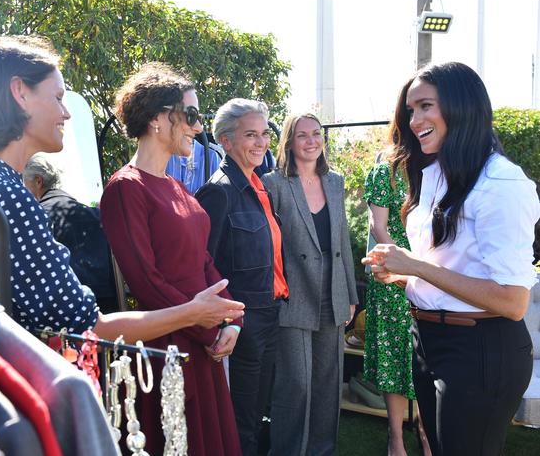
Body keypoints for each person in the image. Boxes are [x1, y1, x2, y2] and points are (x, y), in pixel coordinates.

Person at [0, 35, 244, 344]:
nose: (66, 112)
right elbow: (88, 325)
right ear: (20, 93)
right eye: (58, 97)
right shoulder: (9, 197)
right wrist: (194, 314)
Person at [363, 62, 540, 456]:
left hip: (479, 349)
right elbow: (451, 270)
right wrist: (401, 275)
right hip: (429, 340)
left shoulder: (501, 184)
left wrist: (415, 266)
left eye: (425, 106)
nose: (414, 120)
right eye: (411, 110)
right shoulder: (435, 174)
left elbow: (513, 302)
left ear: (462, 107)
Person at [100, 63, 243, 456]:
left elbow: (204, 261)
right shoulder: (125, 189)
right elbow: (145, 282)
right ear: (159, 119)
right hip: (167, 350)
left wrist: (231, 320)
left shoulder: (177, 187)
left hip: (202, 341)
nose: (199, 128)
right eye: (192, 116)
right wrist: (205, 324)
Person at [195, 98, 289, 456]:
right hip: (242, 322)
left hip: (270, 312)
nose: (261, 142)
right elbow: (204, 265)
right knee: (240, 422)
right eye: (250, 134)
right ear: (226, 140)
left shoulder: (258, 186)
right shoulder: (218, 191)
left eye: (264, 133)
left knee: (257, 414)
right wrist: (228, 322)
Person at [261, 112, 358, 456]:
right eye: (302, 135)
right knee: (296, 386)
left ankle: (321, 451)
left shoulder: (335, 181)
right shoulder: (273, 183)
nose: (311, 140)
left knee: (327, 385)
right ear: (289, 141)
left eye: (316, 134)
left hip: (332, 295)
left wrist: (349, 293)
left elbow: (342, 240)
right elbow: (269, 245)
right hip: (293, 296)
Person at [363, 135, 431, 456]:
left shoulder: (435, 169)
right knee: (395, 356)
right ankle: (396, 438)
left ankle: (426, 430)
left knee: (426, 355)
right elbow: (379, 227)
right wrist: (400, 263)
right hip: (391, 277)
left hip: (431, 275)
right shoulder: (385, 172)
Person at [23, 153, 119, 313]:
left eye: (24, 183)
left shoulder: (39, 219)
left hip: (71, 313)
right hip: (111, 307)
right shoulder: (95, 214)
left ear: (38, 181)